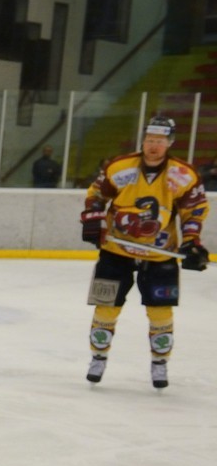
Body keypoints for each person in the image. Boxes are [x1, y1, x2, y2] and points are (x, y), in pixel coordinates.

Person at [78, 115, 208, 389]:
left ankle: (159, 363)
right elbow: (97, 193)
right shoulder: (119, 167)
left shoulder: (183, 174)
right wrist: (93, 218)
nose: (153, 145)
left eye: (160, 141)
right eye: (150, 139)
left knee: (160, 310)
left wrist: (192, 240)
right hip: (115, 249)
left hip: (161, 252)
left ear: (170, 143)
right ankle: (98, 357)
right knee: (106, 306)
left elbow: (193, 210)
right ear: (143, 140)